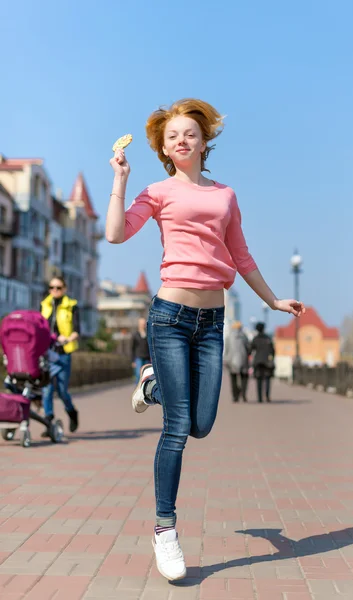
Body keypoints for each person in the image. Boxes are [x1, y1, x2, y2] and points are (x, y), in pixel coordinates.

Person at [106, 98, 305, 581]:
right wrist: (120, 179)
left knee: (202, 424)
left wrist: (274, 300)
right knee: (176, 429)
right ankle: (165, 529)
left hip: (212, 324)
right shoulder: (155, 192)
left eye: (190, 134)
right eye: (172, 136)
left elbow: (241, 255)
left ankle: (153, 384)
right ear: (164, 148)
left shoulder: (226, 197)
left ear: (203, 141)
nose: (182, 140)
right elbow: (115, 234)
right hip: (170, 318)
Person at [40, 276, 79, 433]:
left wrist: (68, 339)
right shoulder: (44, 305)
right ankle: (48, 422)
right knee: (46, 388)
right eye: (51, 287)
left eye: (58, 288)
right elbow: (39, 326)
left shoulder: (72, 306)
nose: (54, 291)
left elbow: (77, 330)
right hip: (47, 353)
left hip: (63, 353)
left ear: (64, 289)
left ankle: (72, 412)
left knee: (62, 390)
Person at [224, 321, 250, 402]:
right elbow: (248, 348)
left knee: (233, 379)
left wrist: (226, 359)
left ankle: (235, 396)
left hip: (231, 360)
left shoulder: (228, 337)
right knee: (244, 378)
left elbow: (226, 349)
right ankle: (243, 393)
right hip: (243, 359)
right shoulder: (244, 336)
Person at [251, 322, 275, 403]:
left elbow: (250, 349)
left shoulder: (255, 339)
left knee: (259, 380)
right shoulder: (268, 338)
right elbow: (273, 350)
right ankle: (267, 396)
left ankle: (260, 398)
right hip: (267, 362)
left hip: (258, 362)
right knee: (267, 379)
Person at [131, 317, 151, 381]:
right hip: (138, 358)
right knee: (138, 375)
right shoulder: (135, 335)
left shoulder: (148, 334)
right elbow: (132, 348)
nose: (143, 325)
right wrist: (133, 360)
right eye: (141, 323)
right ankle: (138, 389)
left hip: (147, 358)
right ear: (139, 324)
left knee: (147, 375)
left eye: (144, 323)